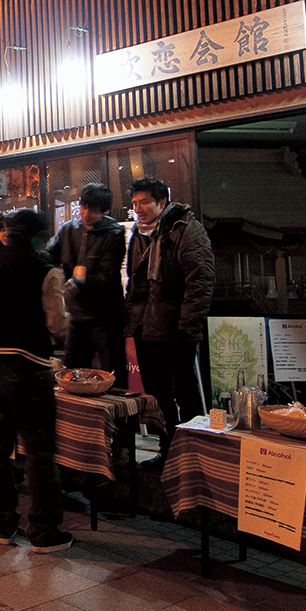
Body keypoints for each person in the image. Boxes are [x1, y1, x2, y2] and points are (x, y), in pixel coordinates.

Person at [0, 208, 72, 554]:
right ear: (36, 236)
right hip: (31, 368)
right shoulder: (47, 271)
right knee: (39, 451)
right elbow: (57, 322)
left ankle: (2, 525)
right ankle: (43, 532)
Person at [123, 177, 214, 456]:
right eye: (135, 203)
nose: (138, 208)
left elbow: (200, 280)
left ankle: (194, 457)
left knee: (185, 395)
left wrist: (189, 325)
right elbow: (134, 284)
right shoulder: (139, 234)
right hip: (145, 328)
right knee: (157, 396)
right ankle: (168, 452)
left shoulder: (185, 230)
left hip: (176, 328)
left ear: (162, 202)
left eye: (145, 202)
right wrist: (130, 322)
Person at [47, 183, 127, 381]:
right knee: (72, 374)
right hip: (76, 316)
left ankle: (120, 412)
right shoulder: (68, 230)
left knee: (112, 375)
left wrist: (81, 280)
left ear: (105, 210)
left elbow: (107, 277)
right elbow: (47, 257)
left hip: (106, 317)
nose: (86, 213)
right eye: (84, 206)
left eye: (94, 209)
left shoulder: (114, 233)